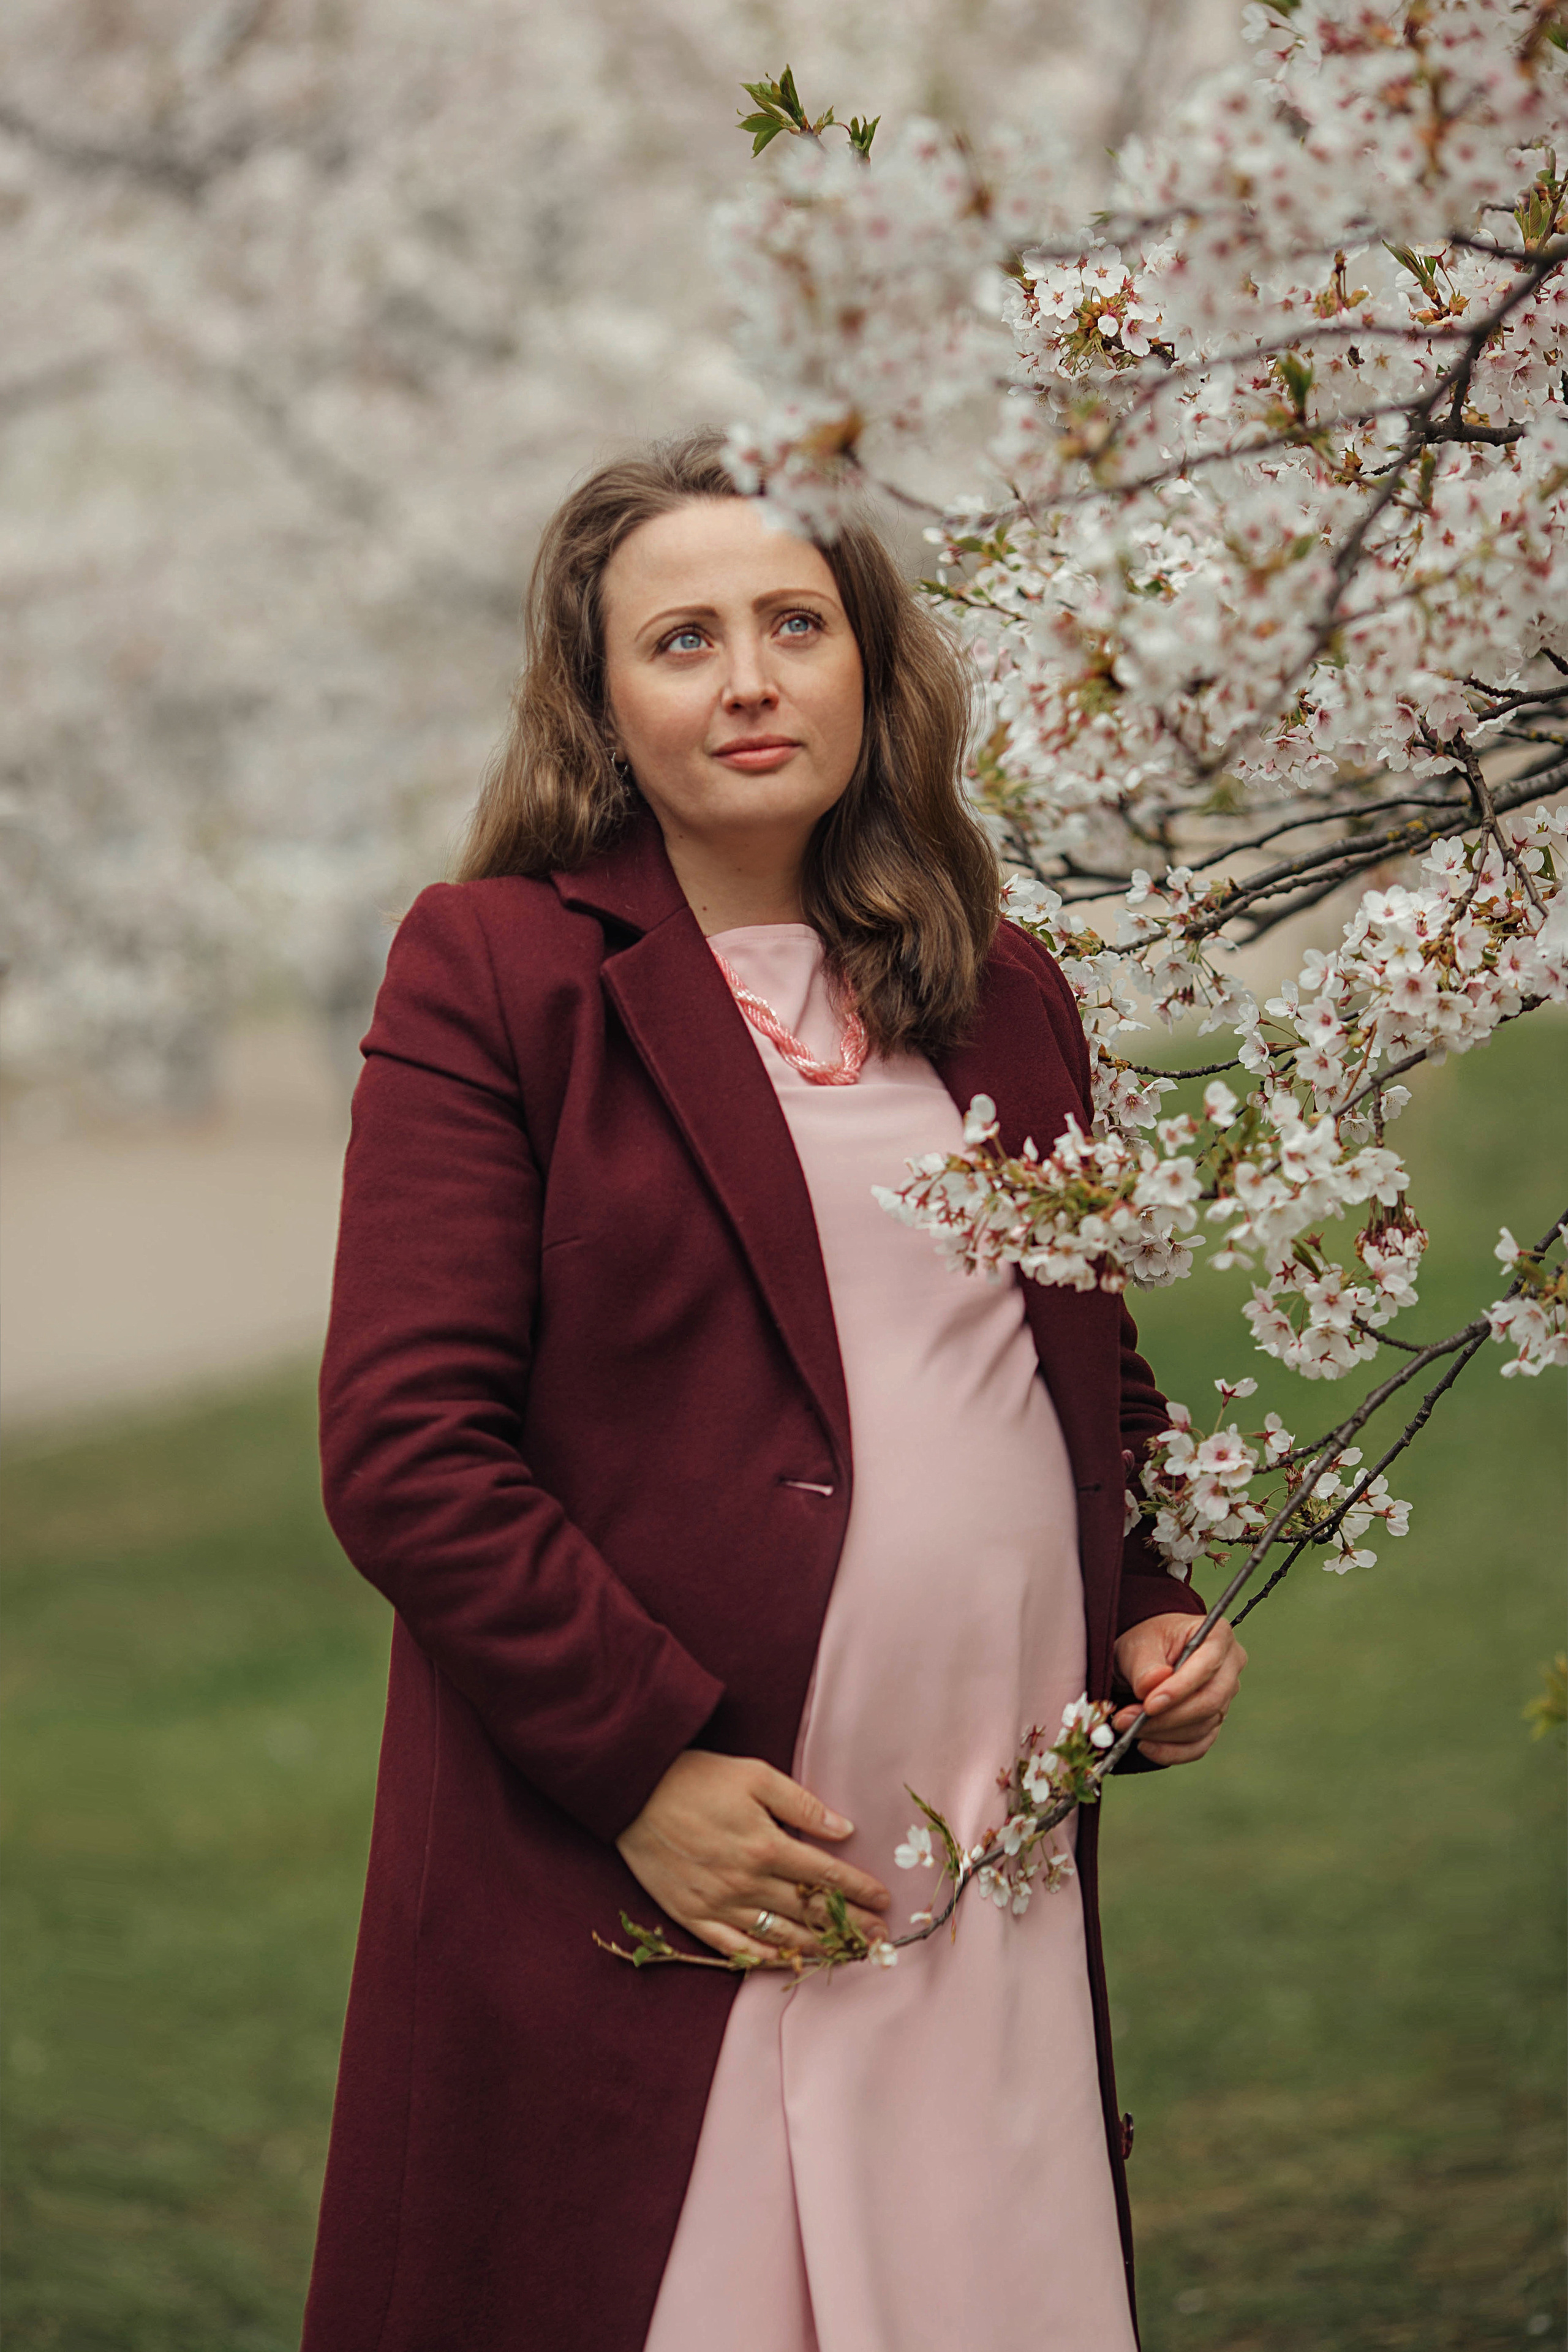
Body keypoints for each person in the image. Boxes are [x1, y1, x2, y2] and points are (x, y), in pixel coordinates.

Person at [301, 429, 1247, 2352]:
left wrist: (1142, 1601)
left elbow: (1085, 1371)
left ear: (868, 666)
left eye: (794, 623)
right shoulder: (497, 973)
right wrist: (645, 1769)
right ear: (601, 700)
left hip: (988, 1868)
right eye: (684, 639)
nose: (748, 678)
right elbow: (406, 1449)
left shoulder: (1008, 993)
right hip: (692, 1872)